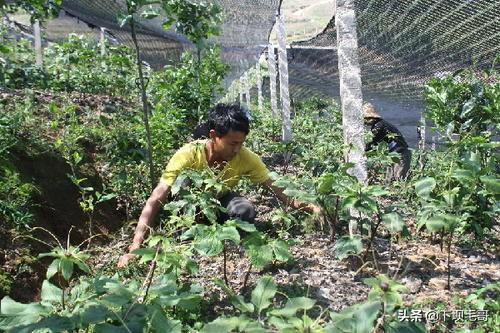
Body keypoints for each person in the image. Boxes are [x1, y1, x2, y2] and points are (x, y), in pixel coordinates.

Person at [118, 103, 322, 267]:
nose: (237, 149)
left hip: (218, 201)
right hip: (187, 205)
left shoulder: (246, 158)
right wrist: (135, 247)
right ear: (214, 135)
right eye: (233, 143)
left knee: (245, 210)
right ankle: (191, 232)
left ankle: (219, 238)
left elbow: (279, 189)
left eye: (241, 143)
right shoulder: (188, 154)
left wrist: (311, 206)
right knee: (185, 182)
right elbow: (157, 197)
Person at [363, 102, 411, 181]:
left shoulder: (379, 126)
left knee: (398, 179)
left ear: (370, 118)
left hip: (400, 153)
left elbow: (373, 141)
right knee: (390, 179)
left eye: (365, 119)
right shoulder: (380, 124)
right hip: (394, 154)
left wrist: (363, 150)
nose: (364, 122)